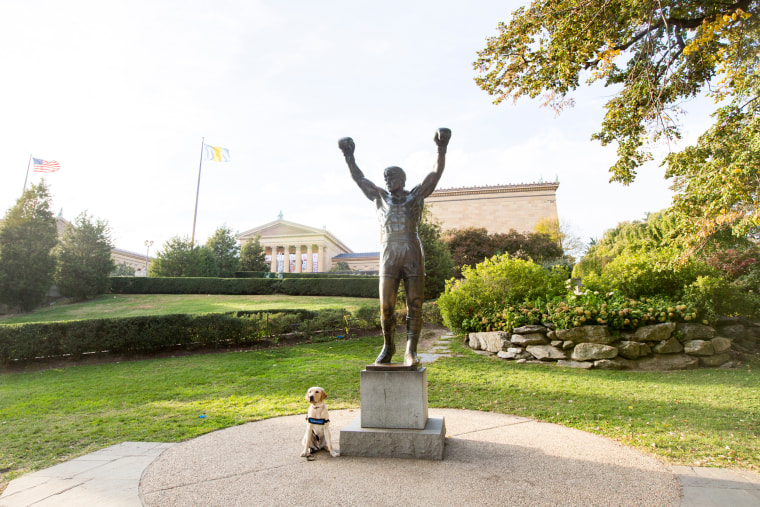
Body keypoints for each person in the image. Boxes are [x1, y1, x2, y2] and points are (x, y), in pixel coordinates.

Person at [339, 128, 451, 366]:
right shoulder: (380, 198)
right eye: (386, 178)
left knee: (415, 303)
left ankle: (410, 351)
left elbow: (436, 172)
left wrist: (441, 147)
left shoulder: (416, 196)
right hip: (389, 250)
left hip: (411, 248)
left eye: (392, 177)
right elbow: (359, 178)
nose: (388, 181)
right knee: (386, 305)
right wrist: (349, 155)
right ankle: (388, 347)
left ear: (402, 179)